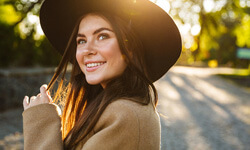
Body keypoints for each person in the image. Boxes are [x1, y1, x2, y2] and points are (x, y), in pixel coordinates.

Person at [22, 0, 182, 149]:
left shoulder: (126, 116)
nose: (87, 50)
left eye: (102, 36)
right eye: (81, 41)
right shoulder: (111, 105)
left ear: (131, 49)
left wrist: (41, 123)